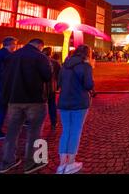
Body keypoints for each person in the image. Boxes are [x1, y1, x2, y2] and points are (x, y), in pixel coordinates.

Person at [0, 38, 52, 174]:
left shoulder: (12, 56)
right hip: (34, 99)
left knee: (12, 131)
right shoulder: (40, 57)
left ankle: (7, 162)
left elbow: (4, 77)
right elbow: (47, 76)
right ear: (40, 45)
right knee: (35, 131)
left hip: (14, 99)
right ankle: (32, 162)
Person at [57, 45, 95, 174]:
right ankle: (71, 163)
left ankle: (62, 164)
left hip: (63, 101)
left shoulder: (65, 65)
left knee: (66, 131)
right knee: (76, 131)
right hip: (79, 102)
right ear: (87, 54)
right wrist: (91, 68)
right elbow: (89, 85)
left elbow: (59, 83)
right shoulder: (85, 66)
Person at [42, 47, 61, 129]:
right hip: (51, 87)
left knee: (39, 105)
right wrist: (58, 85)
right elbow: (59, 75)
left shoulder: (39, 61)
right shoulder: (55, 63)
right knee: (52, 104)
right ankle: (54, 121)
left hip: (41, 88)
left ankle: (37, 122)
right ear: (51, 53)